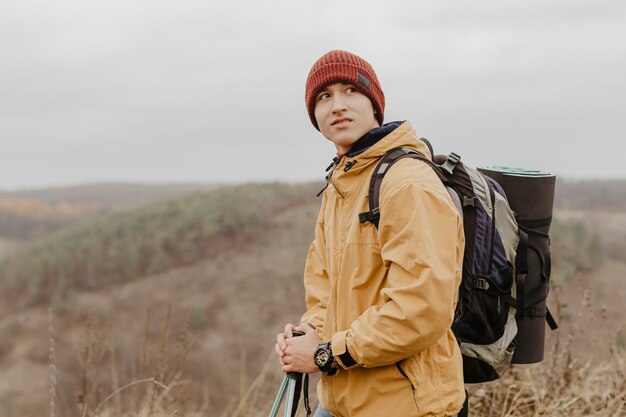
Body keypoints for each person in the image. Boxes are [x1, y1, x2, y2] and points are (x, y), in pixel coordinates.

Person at [275, 50, 466, 417]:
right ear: (314, 115)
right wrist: (308, 334)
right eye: (324, 97)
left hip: (407, 405)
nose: (337, 106)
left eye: (351, 90)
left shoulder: (407, 183)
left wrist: (325, 354)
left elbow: (421, 309)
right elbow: (324, 289)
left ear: (375, 105)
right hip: (343, 398)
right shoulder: (340, 186)